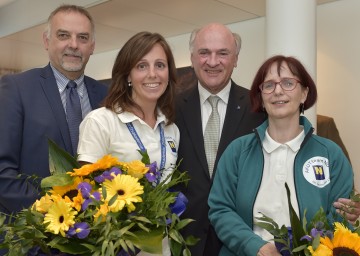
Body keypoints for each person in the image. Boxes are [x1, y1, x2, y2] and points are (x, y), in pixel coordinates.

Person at [208, 55, 354, 256]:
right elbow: (220, 210)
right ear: (261, 97)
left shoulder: (331, 155)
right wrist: (256, 247)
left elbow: (340, 216)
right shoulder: (237, 151)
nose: (278, 91)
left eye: (288, 83)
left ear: (304, 93)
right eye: (269, 85)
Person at [77, 31, 179, 256]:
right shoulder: (101, 121)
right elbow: (84, 195)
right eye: (142, 66)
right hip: (114, 248)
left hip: (162, 247)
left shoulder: (171, 128)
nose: (152, 74)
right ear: (128, 75)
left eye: (160, 65)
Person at [0, 5, 107, 214]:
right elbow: (3, 171)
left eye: (83, 38)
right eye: (63, 35)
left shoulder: (107, 96)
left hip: (95, 235)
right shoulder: (17, 88)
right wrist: (55, 213)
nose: (74, 45)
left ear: (92, 46)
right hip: (34, 237)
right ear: (47, 41)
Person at [175, 23, 266, 256]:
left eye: (222, 53)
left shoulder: (260, 109)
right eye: (204, 52)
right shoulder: (170, 109)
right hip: (184, 240)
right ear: (193, 58)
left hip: (241, 241)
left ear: (235, 59)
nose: (212, 62)